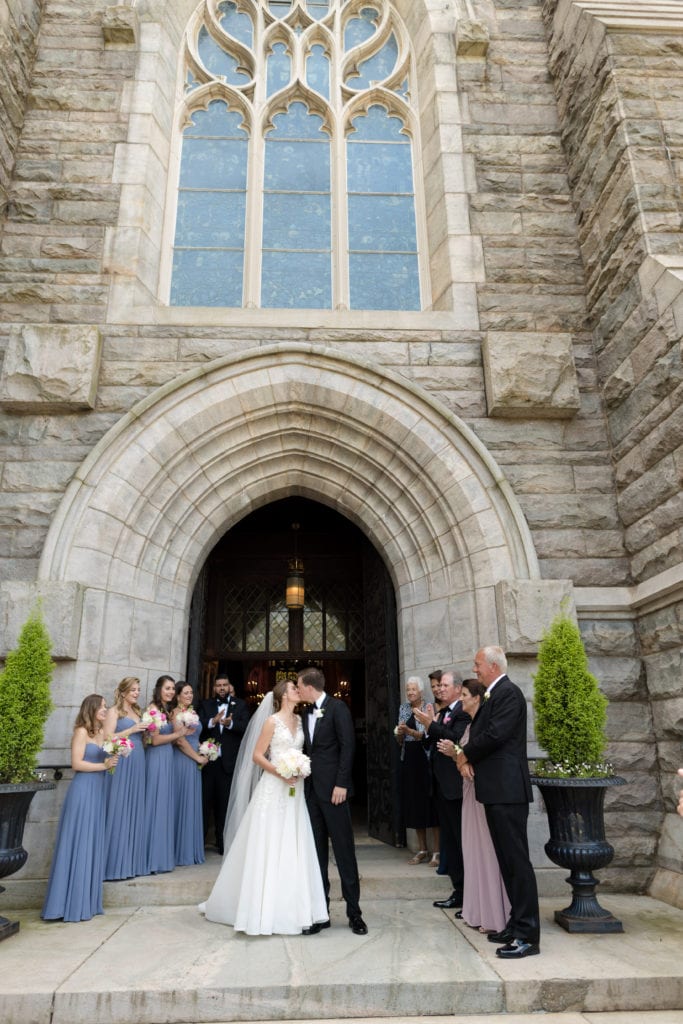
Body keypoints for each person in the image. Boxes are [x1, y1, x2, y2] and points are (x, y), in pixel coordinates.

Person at [199, 679, 327, 935]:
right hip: (273, 787)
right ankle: (262, 908)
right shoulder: (271, 721)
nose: (297, 691)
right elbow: (257, 755)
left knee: (292, 843)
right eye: (293, 688)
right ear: (282, 696)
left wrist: (300, 769)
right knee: (269, 843)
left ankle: (293, 908)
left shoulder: (300, 721)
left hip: (294, 789)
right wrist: (281, 772)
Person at [456, 645, 540, 959]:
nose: (475, 669)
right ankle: (514, 925)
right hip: (494, 791)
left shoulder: (509, 693)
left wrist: (464, 753)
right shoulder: (495, 693)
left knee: (517, 863)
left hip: (508, 791)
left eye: (478, 664)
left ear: (492, 665)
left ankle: (528, 935)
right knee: (506, 862)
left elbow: (495, 734)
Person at [297, 665, 367, 935]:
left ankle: (354, 913)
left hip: (335, 792)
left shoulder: (338, 708)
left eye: (299, 686)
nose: (298, 690)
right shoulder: (304, 713)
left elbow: (348, 746)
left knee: (344, 852)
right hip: (311, 792)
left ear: (310, 687)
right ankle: (321, 913)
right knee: (317, 855)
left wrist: (342, 784)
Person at [437, 679, 510, 933]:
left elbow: (474, 753)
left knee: (484, 852)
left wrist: (459, 756)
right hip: (468, 793)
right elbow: (463, 755)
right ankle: (477, 909)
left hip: (479, 794)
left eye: (465, 694)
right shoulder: (474, 723)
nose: (462, 700)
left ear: (476, 698)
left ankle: (493, 913)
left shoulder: (479, 725)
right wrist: (458, 757)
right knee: (471, 852)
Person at [42, 694, 119, 921]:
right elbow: (76, 763)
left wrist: (116, 754)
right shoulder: (81, 732)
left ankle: (86, 901)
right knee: (78, 841)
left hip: (98, 792)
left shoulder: (102, 733)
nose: (105, 710)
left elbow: (114, 744)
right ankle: (67, 904)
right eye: (103, 707)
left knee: (92, 843)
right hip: (83, 791)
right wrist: (102, 765)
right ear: (92, 708)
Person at [414, 670, 469, 911]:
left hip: (456, 787)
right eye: (439, 686)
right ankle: (458, 890)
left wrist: (431, 725)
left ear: (458, 689)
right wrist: (428, 727)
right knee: (450, 841)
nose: (440, 689)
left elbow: (456, 739)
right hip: (440, 785)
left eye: (445, 686)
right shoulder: (443, 712)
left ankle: (468, 892)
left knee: (460, 841)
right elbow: (431, 743)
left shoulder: (462, 713)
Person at [198, 673, 249, 855]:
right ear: (213, 688)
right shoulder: (205, 705)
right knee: (204, 804)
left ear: (229, 686)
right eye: (218, 685)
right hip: (208, 764)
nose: (221, 688)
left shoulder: (241, 705)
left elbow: (246, 728)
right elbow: (198, 727)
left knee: (224, 806)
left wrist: (229, 723)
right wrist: (213, 721)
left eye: (224, 685)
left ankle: (223, 844)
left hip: (228, 765)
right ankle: (199, 845)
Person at [103, 676, 148, 880]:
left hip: (139, 761)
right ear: (122, 692)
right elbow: (106, 737)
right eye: (132, 690)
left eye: (138, 690)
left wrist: (147, 731)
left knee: (135, 808)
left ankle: (131, 862)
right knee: (119, 806)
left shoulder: (138, 711)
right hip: (122, 761)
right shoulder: (113, 712)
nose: (137, 693)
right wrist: (130, 730)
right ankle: (113, 863)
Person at [144, 674, 186, 874]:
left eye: (172, 689)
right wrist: (177, 734)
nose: (170, 692)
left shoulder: (165, 710)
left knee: (164, 805)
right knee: (156, 804)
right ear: (159, 689)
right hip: (157, 759)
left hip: (166, 758)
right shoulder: (153, 709)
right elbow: (153, 740)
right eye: (167, 688)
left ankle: (161, 857)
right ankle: (152, 859)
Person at [395, 676, 439, 864]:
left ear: (421, 691)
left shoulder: (429, 707)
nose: (410, 692)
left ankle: (437, 852)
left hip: (426, 758)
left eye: (413, 689)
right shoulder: (404, 708)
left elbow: (428, 735)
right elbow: (400, 739)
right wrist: (399, 734)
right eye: (408, 689)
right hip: (410, 758)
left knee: (431, 805)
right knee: (415, 804)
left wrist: (409, 732)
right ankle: (422, 850)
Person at [173, 680, 208, 866]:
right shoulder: (176, 714)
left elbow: (194, 736)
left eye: (191, 693)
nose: (189, 695)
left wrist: (204, 749)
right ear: (177, 696)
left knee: (192, 801)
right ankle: (180, 851)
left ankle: (189, 848)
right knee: (182, 801)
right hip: (184, 760)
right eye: (185, 693)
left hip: (195, 758)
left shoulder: (192, 712)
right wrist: (197, 757)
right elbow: (180, 741)